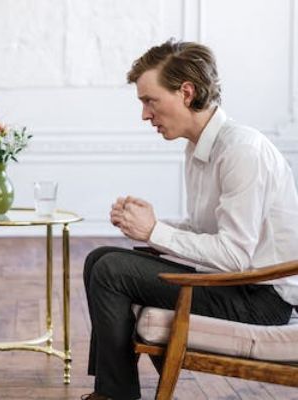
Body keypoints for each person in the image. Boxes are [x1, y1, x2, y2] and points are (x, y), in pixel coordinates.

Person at [82, 39, 298, 400]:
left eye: (150, 101)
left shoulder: (242, 150)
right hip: (235, 284)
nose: (145, 115)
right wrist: (151, 227)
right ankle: (112, 391)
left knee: (110, 270)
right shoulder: (199, 147)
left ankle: (115, 396)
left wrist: (155, 232)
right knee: (99, 258)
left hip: (261, 298)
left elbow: (234, 256)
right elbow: (205, 232)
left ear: (186, 92)